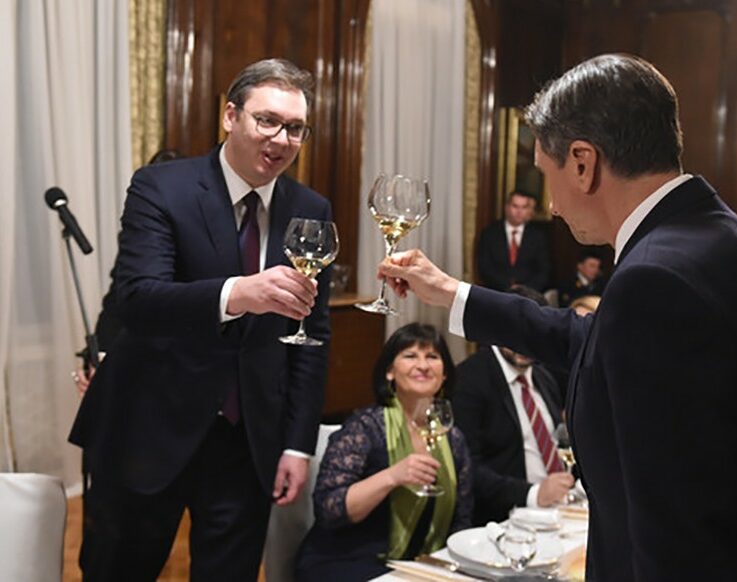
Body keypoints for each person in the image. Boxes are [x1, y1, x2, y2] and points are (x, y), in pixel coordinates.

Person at [378, 53, 737, 580]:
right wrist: (452, 293)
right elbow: (590, 338)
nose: (551, 206)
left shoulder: (656, 277)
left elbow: (679, 539)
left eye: (546, 175)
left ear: (583, 162)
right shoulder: (707, 232)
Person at [69, 58, 332, 581]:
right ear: (230, 116)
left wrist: (297, 443)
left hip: (246, 442)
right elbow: (138, 299)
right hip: (146, 429)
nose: (281, 139)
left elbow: (312, 335)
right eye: (267, 120)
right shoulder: (161, 186)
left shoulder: (310, 208)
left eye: (295, 128)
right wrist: (238, 293)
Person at [295, 323, 472, 580]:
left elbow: (461, 520)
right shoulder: (365, 427)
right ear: (389, 371)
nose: (423, 365)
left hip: (418, 565)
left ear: (444, 374)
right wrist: (393, 476)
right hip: (345, 560)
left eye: (432, 357)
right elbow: (329, 510)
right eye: (410, 356)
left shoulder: (453, 439)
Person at [453, 285, 573, 526]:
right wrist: (533, 494)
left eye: (534, 334)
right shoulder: (470, 378)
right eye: (515, 332)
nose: (525, 343)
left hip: (559, 510)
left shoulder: (544, 376)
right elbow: (466, 466)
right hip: (504, 520)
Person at [72, 149, 185, 396]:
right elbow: (117, 300)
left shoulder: (207, 235)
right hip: (140, 366)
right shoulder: (140, 232)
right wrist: (98, 355)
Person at [476, 189, 550, 292]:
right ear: (506, 207)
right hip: (496, 292)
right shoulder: (490, 233)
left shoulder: (538, 236)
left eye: (524, 207)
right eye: (515, 206)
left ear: (529, 211)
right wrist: (508, 287)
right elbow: (485, 267)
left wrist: (524, 290)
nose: (519, 212)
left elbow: (544, 270)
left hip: (528, 294)